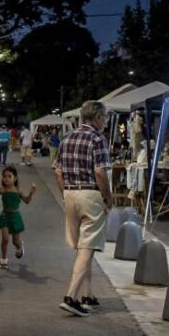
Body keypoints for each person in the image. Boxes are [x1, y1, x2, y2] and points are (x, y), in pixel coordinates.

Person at [54, 101, 112, 317]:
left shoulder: (66, 137)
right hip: (90, 194)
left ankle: (88, 295)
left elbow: (57, 171)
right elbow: (100, 172)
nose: (105, 121)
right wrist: (108, 197)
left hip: (69, 194)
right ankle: (71, 297)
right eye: (104, 117)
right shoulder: (98, 138)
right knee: (87, 248)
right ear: (97, 117)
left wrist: (64, 194)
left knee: (82, 249)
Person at [0, 166, 36, 269]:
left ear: (15, 178)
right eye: (4, 176)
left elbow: (27, 201)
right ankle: (3, 259)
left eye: (9, 176)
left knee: (15, 241)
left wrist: (31, 193)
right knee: (5, 239)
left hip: (15, 217)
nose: (6, 179)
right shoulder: (1, 190)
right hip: (4, 216)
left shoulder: (18, 190)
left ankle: (19, 246)